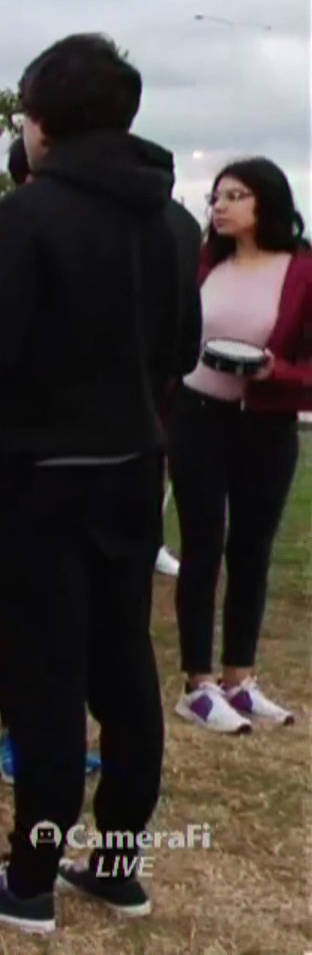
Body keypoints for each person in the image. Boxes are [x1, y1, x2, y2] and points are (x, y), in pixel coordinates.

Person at [0, 34, 201, 933]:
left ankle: (31, 879)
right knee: (124, 669)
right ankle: (117, 865)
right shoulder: (171, 221)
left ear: (42, 123)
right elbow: (183, 351)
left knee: (46, 679)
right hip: (131, 467)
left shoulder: (27, 217)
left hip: (40, 478)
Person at [0, 140, 105, 784]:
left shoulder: (84, 258)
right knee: (4, 604)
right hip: (3, 468)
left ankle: (62, 728)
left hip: (73, 466)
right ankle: (15, 727)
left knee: (69, 606)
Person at [170, 157, 309, 732]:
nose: (220, 206)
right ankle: (197, 684)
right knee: (202, 544)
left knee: (251, 551)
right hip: (197, 415)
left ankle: (239, 677)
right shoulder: (206, 263)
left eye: (236, 195)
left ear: (267, 204)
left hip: (266, 424)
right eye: (217, 197)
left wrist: (275, 373)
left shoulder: (301, 271)